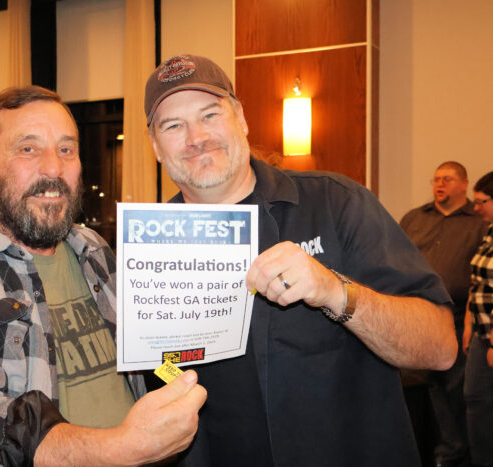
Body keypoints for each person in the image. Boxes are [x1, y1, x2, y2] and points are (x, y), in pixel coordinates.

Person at [144, 54, 457, 466]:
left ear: (241, 118)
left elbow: (440, 348)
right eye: (173, 125)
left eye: (210, 114)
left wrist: (335, 291)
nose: (196, 137)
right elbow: (152, 381)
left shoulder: (336, 203)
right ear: (156, 147)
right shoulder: (149, 252)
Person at [0, 86, 206, 466]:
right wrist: (123, 448)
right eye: (28, 149)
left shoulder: (94, 249)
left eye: (66, 149)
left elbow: (143, 357)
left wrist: (185, 366)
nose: (53, 168)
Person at [400, 161, 487, 466]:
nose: (439, 184)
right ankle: (444, 453)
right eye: (436, 179)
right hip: (415, 314)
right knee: (431, 388)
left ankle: (463, 454)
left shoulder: (479, 222)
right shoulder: (415, 218)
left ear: (464, 184)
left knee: (459, 390)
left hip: (460, 317)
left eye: (447, 179)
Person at [462, 171, 493, 467]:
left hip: (492, 336)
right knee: (475, 399)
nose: (476, 208)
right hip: (480, 332)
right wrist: (468, 325)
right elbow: (479, 282)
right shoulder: (489, 232)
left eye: (482, 201)